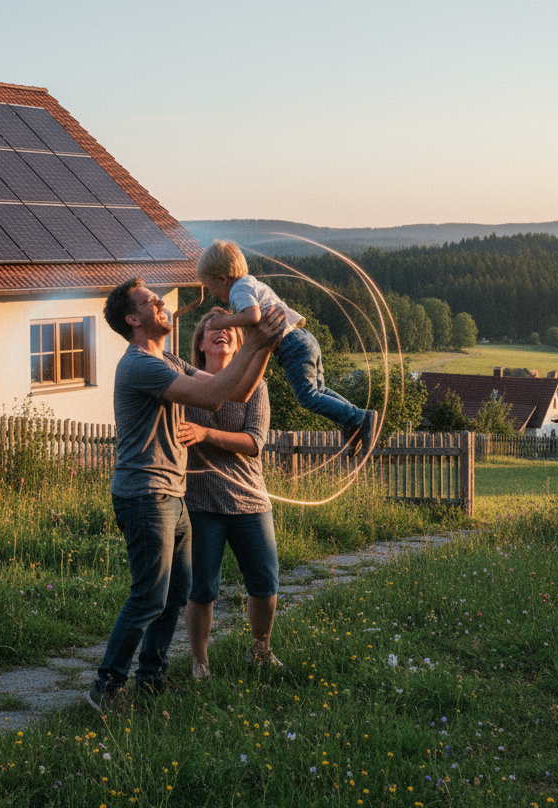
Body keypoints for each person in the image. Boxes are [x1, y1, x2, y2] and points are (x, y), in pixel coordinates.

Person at [87, 277, 284, 712]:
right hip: (144, 494)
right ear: (133, 320)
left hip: (172, 494)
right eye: (149, 301)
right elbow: (213, 398)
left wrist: (262, 344)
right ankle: (106, 686)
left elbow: (238, 389)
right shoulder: (141, 364)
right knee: (150, 595)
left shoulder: (169, 358)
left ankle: (152, 677)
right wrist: (255, 338)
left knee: (177, 593)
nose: (161, 302)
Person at [195, 240, 378, 455]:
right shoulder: (251, 283)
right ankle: (354, 421)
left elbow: (253, 316)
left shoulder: (238, 291)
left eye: (211, 288)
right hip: (302, 338)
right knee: (319, 390)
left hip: (291, 345)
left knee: (307, 397)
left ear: (222, 279)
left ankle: (360, 418)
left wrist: (221, 322)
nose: (213, 294)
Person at [179, 310, 281, 679]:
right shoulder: (186, 385)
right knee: (202, 588)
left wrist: (206, 435)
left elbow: (255, 442)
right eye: (212, 330)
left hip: (249, 499)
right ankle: (200, 661)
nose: (221, 333)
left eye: (229, 330)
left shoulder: (257, 388)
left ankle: (261, 650)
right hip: (200, 501)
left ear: (240, 343)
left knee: (265, 582)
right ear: (201, 343)